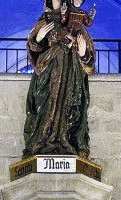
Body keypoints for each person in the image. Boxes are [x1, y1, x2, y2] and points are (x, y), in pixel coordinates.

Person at [22, 0, 95, 159]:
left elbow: (89, 60)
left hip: (71, 74)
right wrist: (38, 39)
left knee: (69, 107)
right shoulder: (45, 20)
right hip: (49, 75)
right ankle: (42, 142)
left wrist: (83, 54)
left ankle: (66, 141)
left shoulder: (76, 22)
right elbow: (33, 51)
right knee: (46, 107)